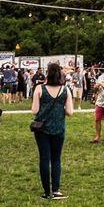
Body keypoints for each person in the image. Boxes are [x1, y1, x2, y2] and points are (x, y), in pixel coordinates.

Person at [30, 63, 74, 199]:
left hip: (42, 128)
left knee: (44, 158)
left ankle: (46, 191)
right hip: (58, 128)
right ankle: (56, 190)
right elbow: (70, 112)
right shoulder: (65, 90)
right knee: (56, 159)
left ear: (47, 73)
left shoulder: (39, 88)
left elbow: (34, 110)